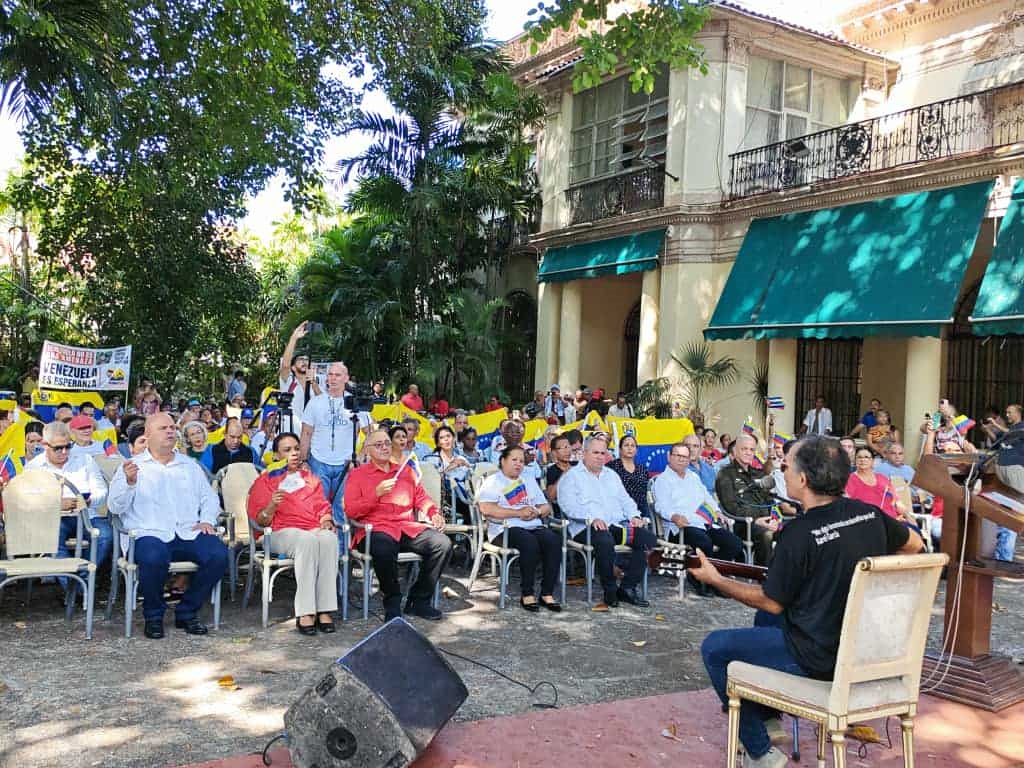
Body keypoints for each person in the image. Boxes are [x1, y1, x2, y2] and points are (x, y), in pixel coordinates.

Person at [693, 436, 923, 768]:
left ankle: (760, 752)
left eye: (786, 467)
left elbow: (771, 600)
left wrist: (717, 580)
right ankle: (768, 715)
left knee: (715, 648)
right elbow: (914, 544)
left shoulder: (797, 533)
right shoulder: (869, 514)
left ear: (802, 479)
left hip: (820, 655)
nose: (782, 472)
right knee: (766, 621)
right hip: (871, 647)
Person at [108, 413, 229, 639]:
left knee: (219, 554)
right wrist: (129, 483)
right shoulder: (132, 467)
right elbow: (115, 507)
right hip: (149, 532)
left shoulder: (189, 465)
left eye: (173, 427)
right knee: (152, 557)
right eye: (163, 428)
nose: (170, 431)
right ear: (148, 435)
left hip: (187, 531)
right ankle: (154, 616)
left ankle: (187, 611)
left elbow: (209, 498)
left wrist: (207, 520)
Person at [343, 428, 452, 621]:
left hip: (406, 526)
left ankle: (419, 601)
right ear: (367, 450)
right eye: (378, 445)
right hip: (375, 529)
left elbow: (421, 498)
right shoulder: (358, 474)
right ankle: (392, 602)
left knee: (442, 544)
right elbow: (351, 511)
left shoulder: (405, 470)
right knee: (384, 547)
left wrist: (433, 513)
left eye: (387, 443)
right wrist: (375, 494)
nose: (385, 447)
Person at [247, 432, 339, 635]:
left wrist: (326, 520)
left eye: (297, 448)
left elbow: (322, 507)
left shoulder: (311, 479)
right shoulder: (266, 480)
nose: (294, 453)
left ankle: (324, 609)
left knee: (329, 539)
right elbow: (260, 521)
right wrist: (272, 505)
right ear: (276, 455)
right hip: (278, 531)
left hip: (311, 528)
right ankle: (306, 612)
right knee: (306, 540)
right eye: (287, 450)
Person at [557, 434, 657, 608]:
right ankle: (610, 591)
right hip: (585, 528)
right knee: (605, 539)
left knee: (647, 538)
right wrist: (591, 518)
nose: (599, 457)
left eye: (603, 453)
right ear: (584, 453)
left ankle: (627, 588)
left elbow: (626, 500)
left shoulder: (611, 475)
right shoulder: (571, 477)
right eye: (595, 452)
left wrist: (634, 516)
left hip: (615, 526)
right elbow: (568, 506)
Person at [476, 446, 561, 612]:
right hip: (504, 528)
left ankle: (547, 593)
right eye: (514, 460)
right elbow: (486, 508)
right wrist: (517, 513)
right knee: (529, 543)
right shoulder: (493, 481)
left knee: (553, 540)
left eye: (521, 461)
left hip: (532, 524)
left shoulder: (528, 479)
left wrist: (536, 512)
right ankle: (527, 593)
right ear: (503, 461)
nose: (518, 464)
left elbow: (546, 507)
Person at [27, 421, 112, 580]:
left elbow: (101, 491)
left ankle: (80, 581)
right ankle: (75, 584)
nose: (64, 452)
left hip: (87, 515)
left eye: (68, 446)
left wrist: (88, 501)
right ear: (45, 445)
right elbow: (29, 500)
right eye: (58, 448)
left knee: (105, 536)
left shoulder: (85, 460)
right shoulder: (34, 467)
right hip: (53, 518)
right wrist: (56, 504)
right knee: (51, 538)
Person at [652, 442, 744, 575]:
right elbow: (660, 506)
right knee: (704, 543)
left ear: (689, 459)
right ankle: (704, 578)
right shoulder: (663, 480)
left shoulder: (693, 477)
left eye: (684, 456)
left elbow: (707, 497)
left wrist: (717, 511)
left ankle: (712, 575)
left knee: (735, 544)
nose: (681, 459)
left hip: (702, 523)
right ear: (669, 456)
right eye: (677, 455)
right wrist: (674, 516)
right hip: (680, 527)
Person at [300, 362, 371, 525]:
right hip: (318, 461)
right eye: (330, 374)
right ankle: (319, 541)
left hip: (345, 464)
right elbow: (306, 433)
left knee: (341, 511)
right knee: (318, 509)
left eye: (337, 375)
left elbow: (371, 433)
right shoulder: (316, 402)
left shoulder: (356, 402)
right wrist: (303, 460)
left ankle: (341, 542)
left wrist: (359, 457)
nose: (333, 378)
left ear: (346, 378)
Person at [714, 433, 774, 565]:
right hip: (742, 524)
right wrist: (757, 520)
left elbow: (770, 501)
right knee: (767, 535)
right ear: (735, 451)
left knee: (794, 531)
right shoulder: (725, 474)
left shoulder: (759, 474)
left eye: (752, 449)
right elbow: (731, 507)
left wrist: (774, 518)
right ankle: (763, 574)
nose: (748, 452)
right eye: (744, 449)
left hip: (765, 521)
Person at [845, 447, 917, 527]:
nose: (863, 460)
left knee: (914, 529)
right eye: (859, 457)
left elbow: (896, 502)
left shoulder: (882, 478)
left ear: (872, 461)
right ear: (855, 460)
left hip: (893, 520)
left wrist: (908, 516)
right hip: (869, 523)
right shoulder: (850, 480)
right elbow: (848, 506)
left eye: (866, 457)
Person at [424, 425, 471, 524]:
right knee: (469, 508)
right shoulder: (431, 459)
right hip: (441, 496)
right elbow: (432, 480)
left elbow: (471, 478)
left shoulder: (461, 459)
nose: (446, 440)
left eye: (448, 436)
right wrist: (451, 467)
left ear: (454, 438)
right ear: (438, 443)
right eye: (442, 437)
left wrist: (469, 469)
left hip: (463, 495)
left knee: (474, 506)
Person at [278, 321, 321, 430]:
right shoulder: (288, 382)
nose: (304, 362)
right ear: (293, 367)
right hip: (291, 429)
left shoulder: (316, 382)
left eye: (306, 359)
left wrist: (313, 383)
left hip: (312, 430)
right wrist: (294, 338)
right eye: (300, 359)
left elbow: (322, 401)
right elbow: (285, 365)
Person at [607, 435, 650, 518]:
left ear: (636, 450)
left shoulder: (642, 468)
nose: (629, 448)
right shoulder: (611, 467)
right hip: (621, 509)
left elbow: (647, 491)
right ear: (620, 449)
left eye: (632, 446)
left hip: (643, 510)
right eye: (626, 445)